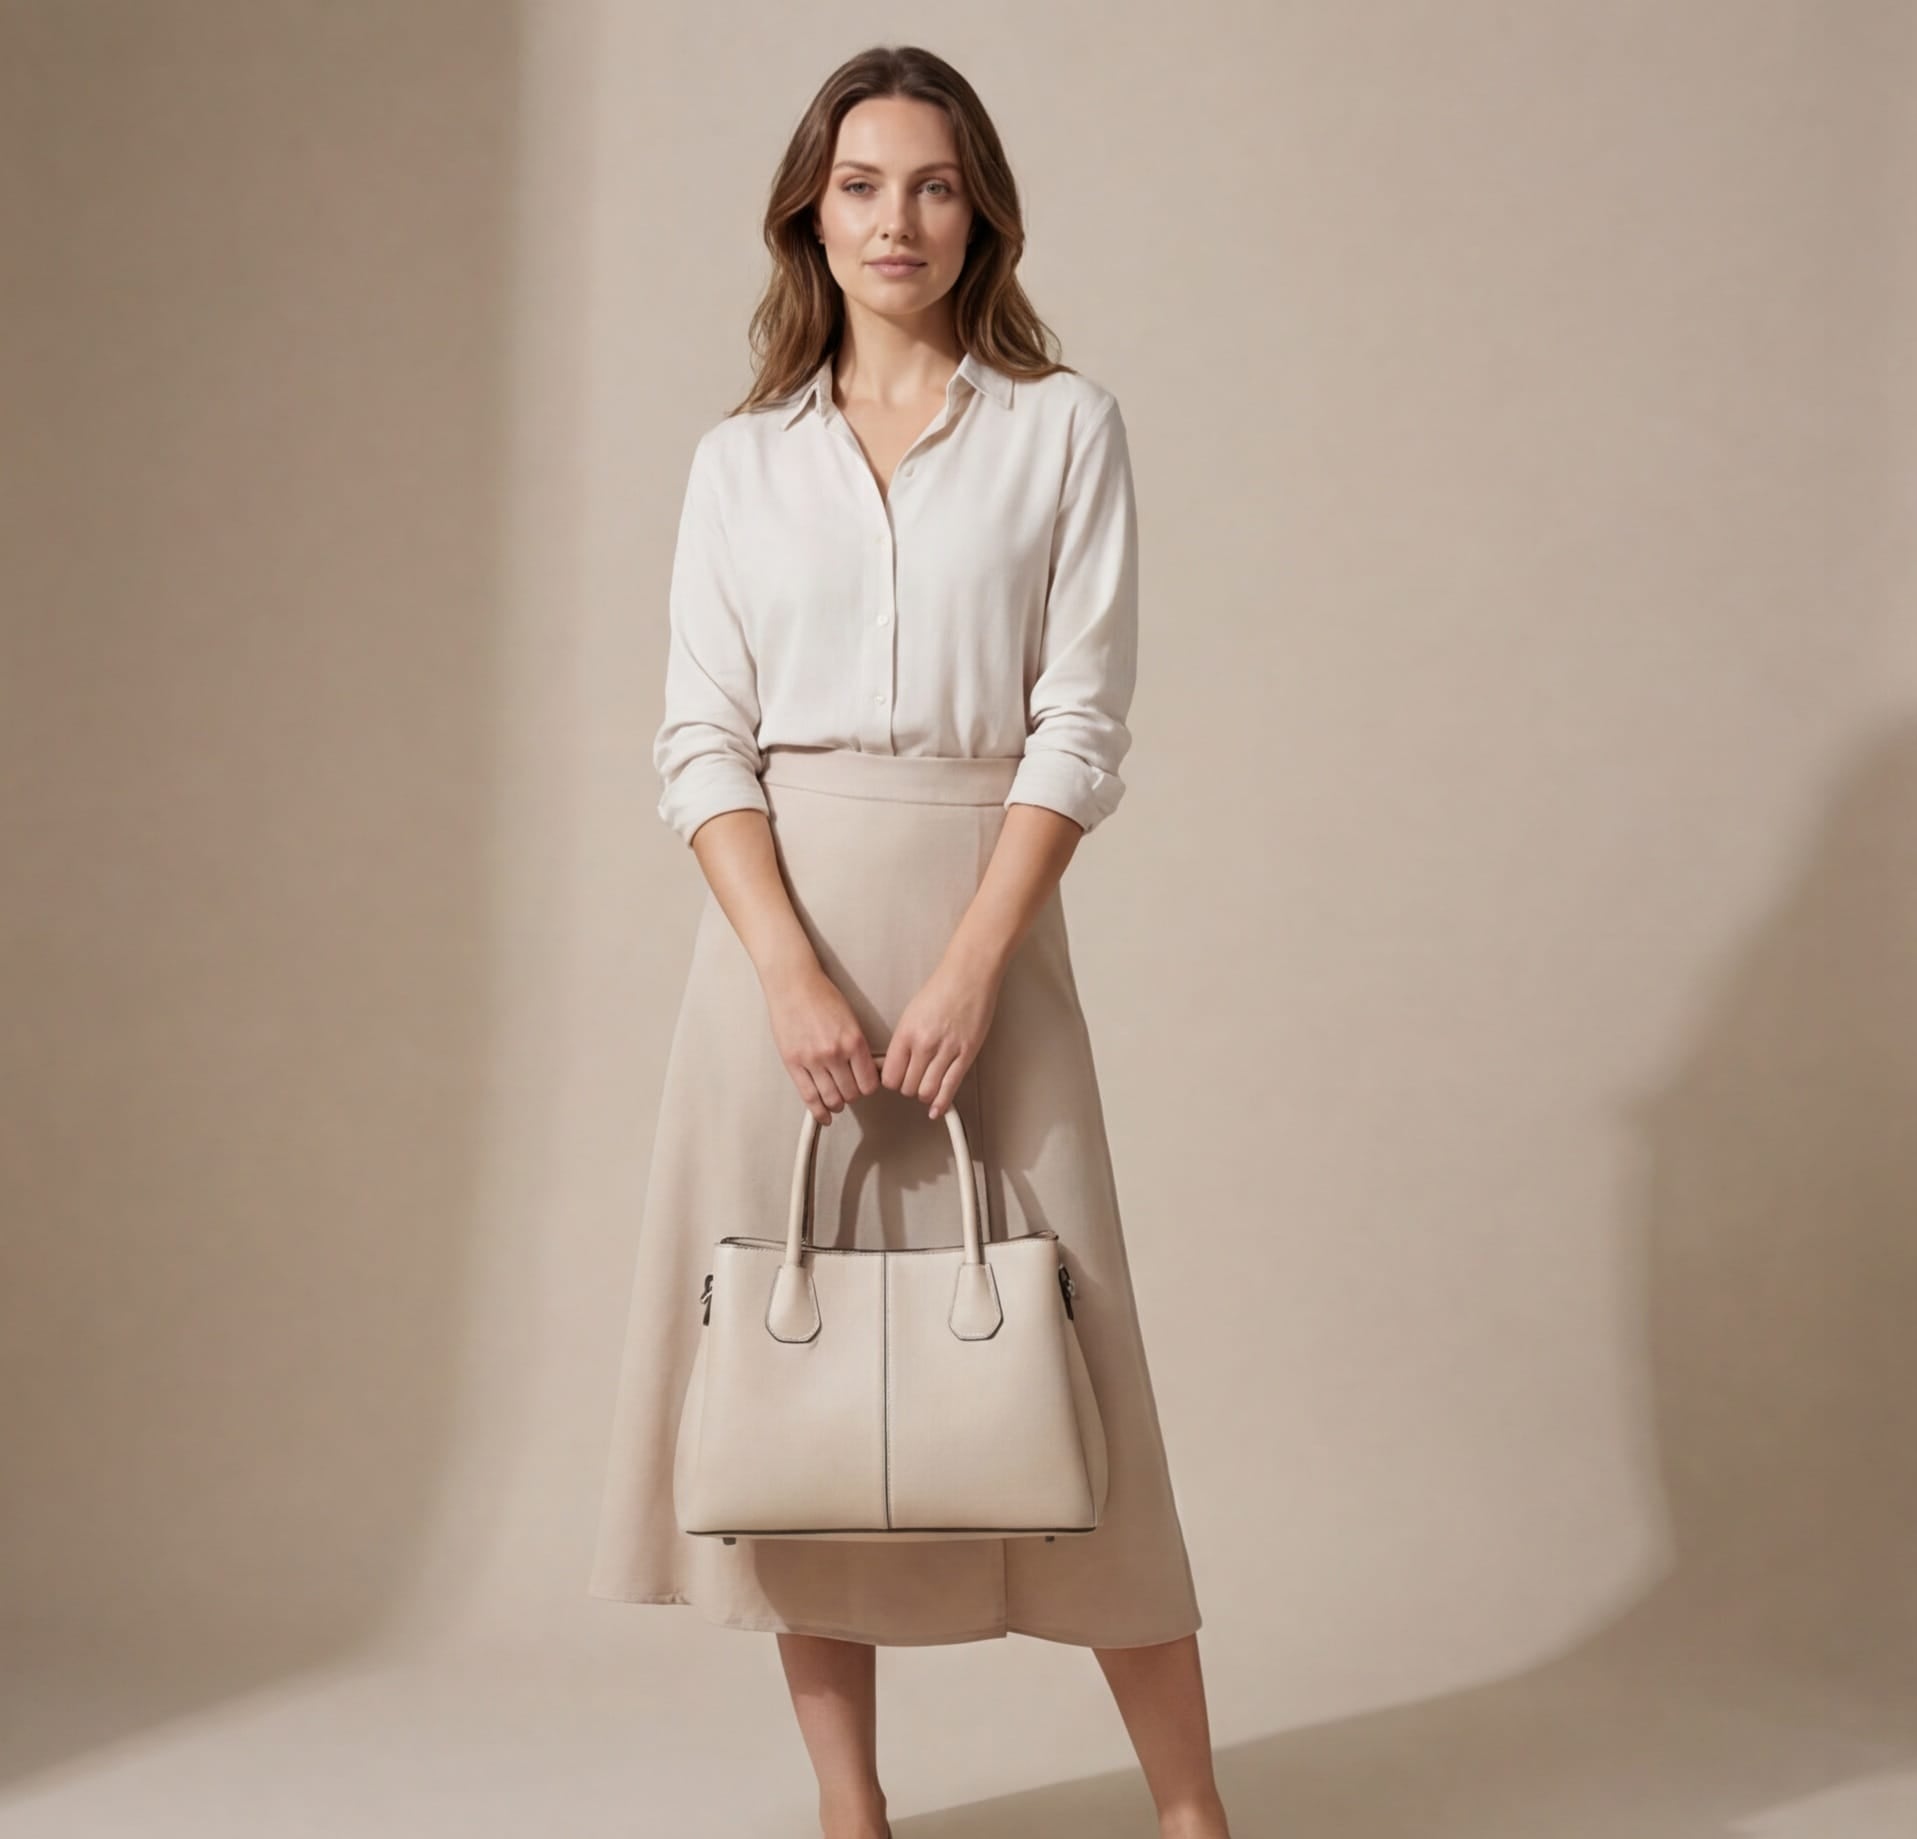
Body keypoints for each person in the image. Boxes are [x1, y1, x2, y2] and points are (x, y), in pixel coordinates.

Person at [588, 43, 1234, 1839]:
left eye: (934, 185)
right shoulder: (741, 462)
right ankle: (849, 1815)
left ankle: (1191, 1813)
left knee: (1069, 1359)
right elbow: (697, 740)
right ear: (812, 207)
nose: (899, 219)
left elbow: (1079, 727)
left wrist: (966, 965)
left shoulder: (1060, 431)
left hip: (986, 934)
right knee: (798, 1393)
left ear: (982, 213)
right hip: (770, 948)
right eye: (863, 184)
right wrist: (787, 971)